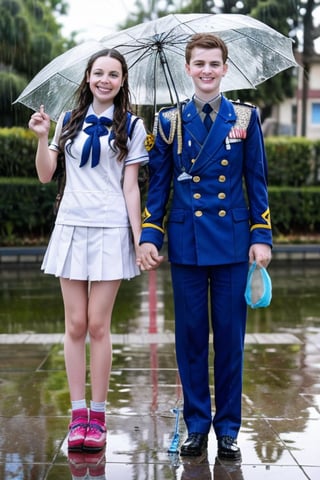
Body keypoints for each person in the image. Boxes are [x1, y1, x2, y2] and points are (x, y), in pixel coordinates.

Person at [137, 33, 272, 460]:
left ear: (225, 68)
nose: (207, 71)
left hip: (233, 243)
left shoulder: (245, 118)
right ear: (188, 68)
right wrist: (149, 234)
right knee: (191, 338)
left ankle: (228, 430)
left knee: (230, 340)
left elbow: (257, 183)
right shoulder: (168, 122)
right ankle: (197, 426)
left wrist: (261, 235)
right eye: (199, 64)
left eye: (214, 64)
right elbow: (157, 187)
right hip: (188, 243)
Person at [29, 48, 149, 453]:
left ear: (121, 81)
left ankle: (98, 416)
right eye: (99, 73)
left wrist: (139, 238)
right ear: (88, 77)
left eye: (113, 74)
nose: (105, 80)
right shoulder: (67, 121)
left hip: (112, 229)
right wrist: (44, 136)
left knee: (99, 326)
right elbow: (47, 175)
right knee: (75, 325)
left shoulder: (132, 125)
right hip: (72, 226)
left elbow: (131, 187)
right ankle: (77, 414)